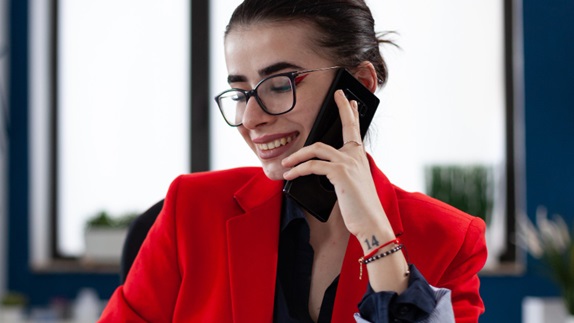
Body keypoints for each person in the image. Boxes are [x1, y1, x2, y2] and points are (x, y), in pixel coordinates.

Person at [99, 0, 487, 322]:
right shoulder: (192, 209)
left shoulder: (449, 241)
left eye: (281, 84)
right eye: (240, 93)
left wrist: (375, 235)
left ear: (359, 87)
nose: (251, 119)